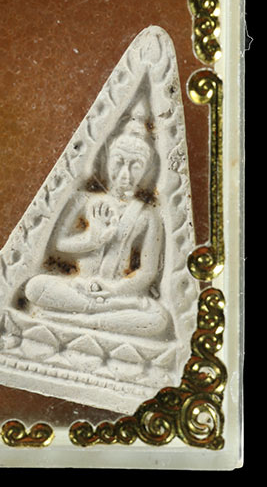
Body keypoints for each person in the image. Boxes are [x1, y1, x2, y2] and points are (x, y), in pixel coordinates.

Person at [24, 127, 171, 338]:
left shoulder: (148, 215)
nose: (125, 174)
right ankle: (91, 317)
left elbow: (147, 272)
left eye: (135, 166)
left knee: (158, 317)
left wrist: (114, 290)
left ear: (146, 171)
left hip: (116, 295)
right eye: (119, 162)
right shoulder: (84, 200)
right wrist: (91, 240)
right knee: (35, 287)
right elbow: (60, 244)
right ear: (106, 161)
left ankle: (72, 320)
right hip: (79, 287)